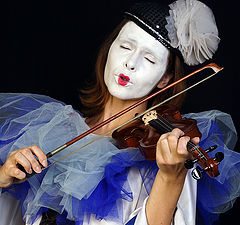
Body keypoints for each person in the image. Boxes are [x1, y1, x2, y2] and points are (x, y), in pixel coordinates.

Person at [0, 0, 239, 225]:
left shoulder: (169, 156)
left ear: (165, 79)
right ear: (110, 48)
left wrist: (170, 178)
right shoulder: (51, 131)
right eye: (125, 46)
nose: (131, 63)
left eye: (149, 58)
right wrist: (2, 180)